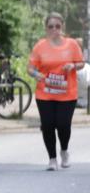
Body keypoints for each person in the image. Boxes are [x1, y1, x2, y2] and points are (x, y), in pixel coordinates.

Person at [28, 12, 85, 170]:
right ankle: (52, 159)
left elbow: (80, 63)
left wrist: (72, 66)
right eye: (51, 26)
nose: (54, 29)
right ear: (46, 28)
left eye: (57, 26)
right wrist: (36, 74)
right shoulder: (40, 46)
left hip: (67, 94)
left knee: (63, 125)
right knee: (47, 125)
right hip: (45, 93)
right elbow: (30, 68)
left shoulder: (72, 44)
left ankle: (64, 151)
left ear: (63, 27)